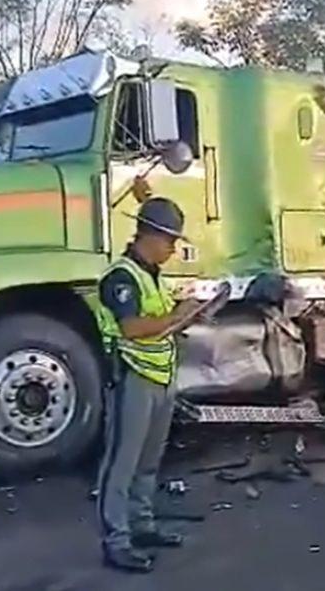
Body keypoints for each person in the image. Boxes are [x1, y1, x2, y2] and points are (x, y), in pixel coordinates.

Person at [94, 197, 202, 573]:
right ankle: (116, 540)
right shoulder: (120, 278)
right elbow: (132, 327)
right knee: (122, 461)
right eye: (170, 241)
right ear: (150, 236)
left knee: (149, 460)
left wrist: (186, 314)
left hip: (160, 376)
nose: (173, 249)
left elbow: (163, 323)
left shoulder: (153, 274)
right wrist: (176, 315)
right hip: (132, 377)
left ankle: (141, 525)